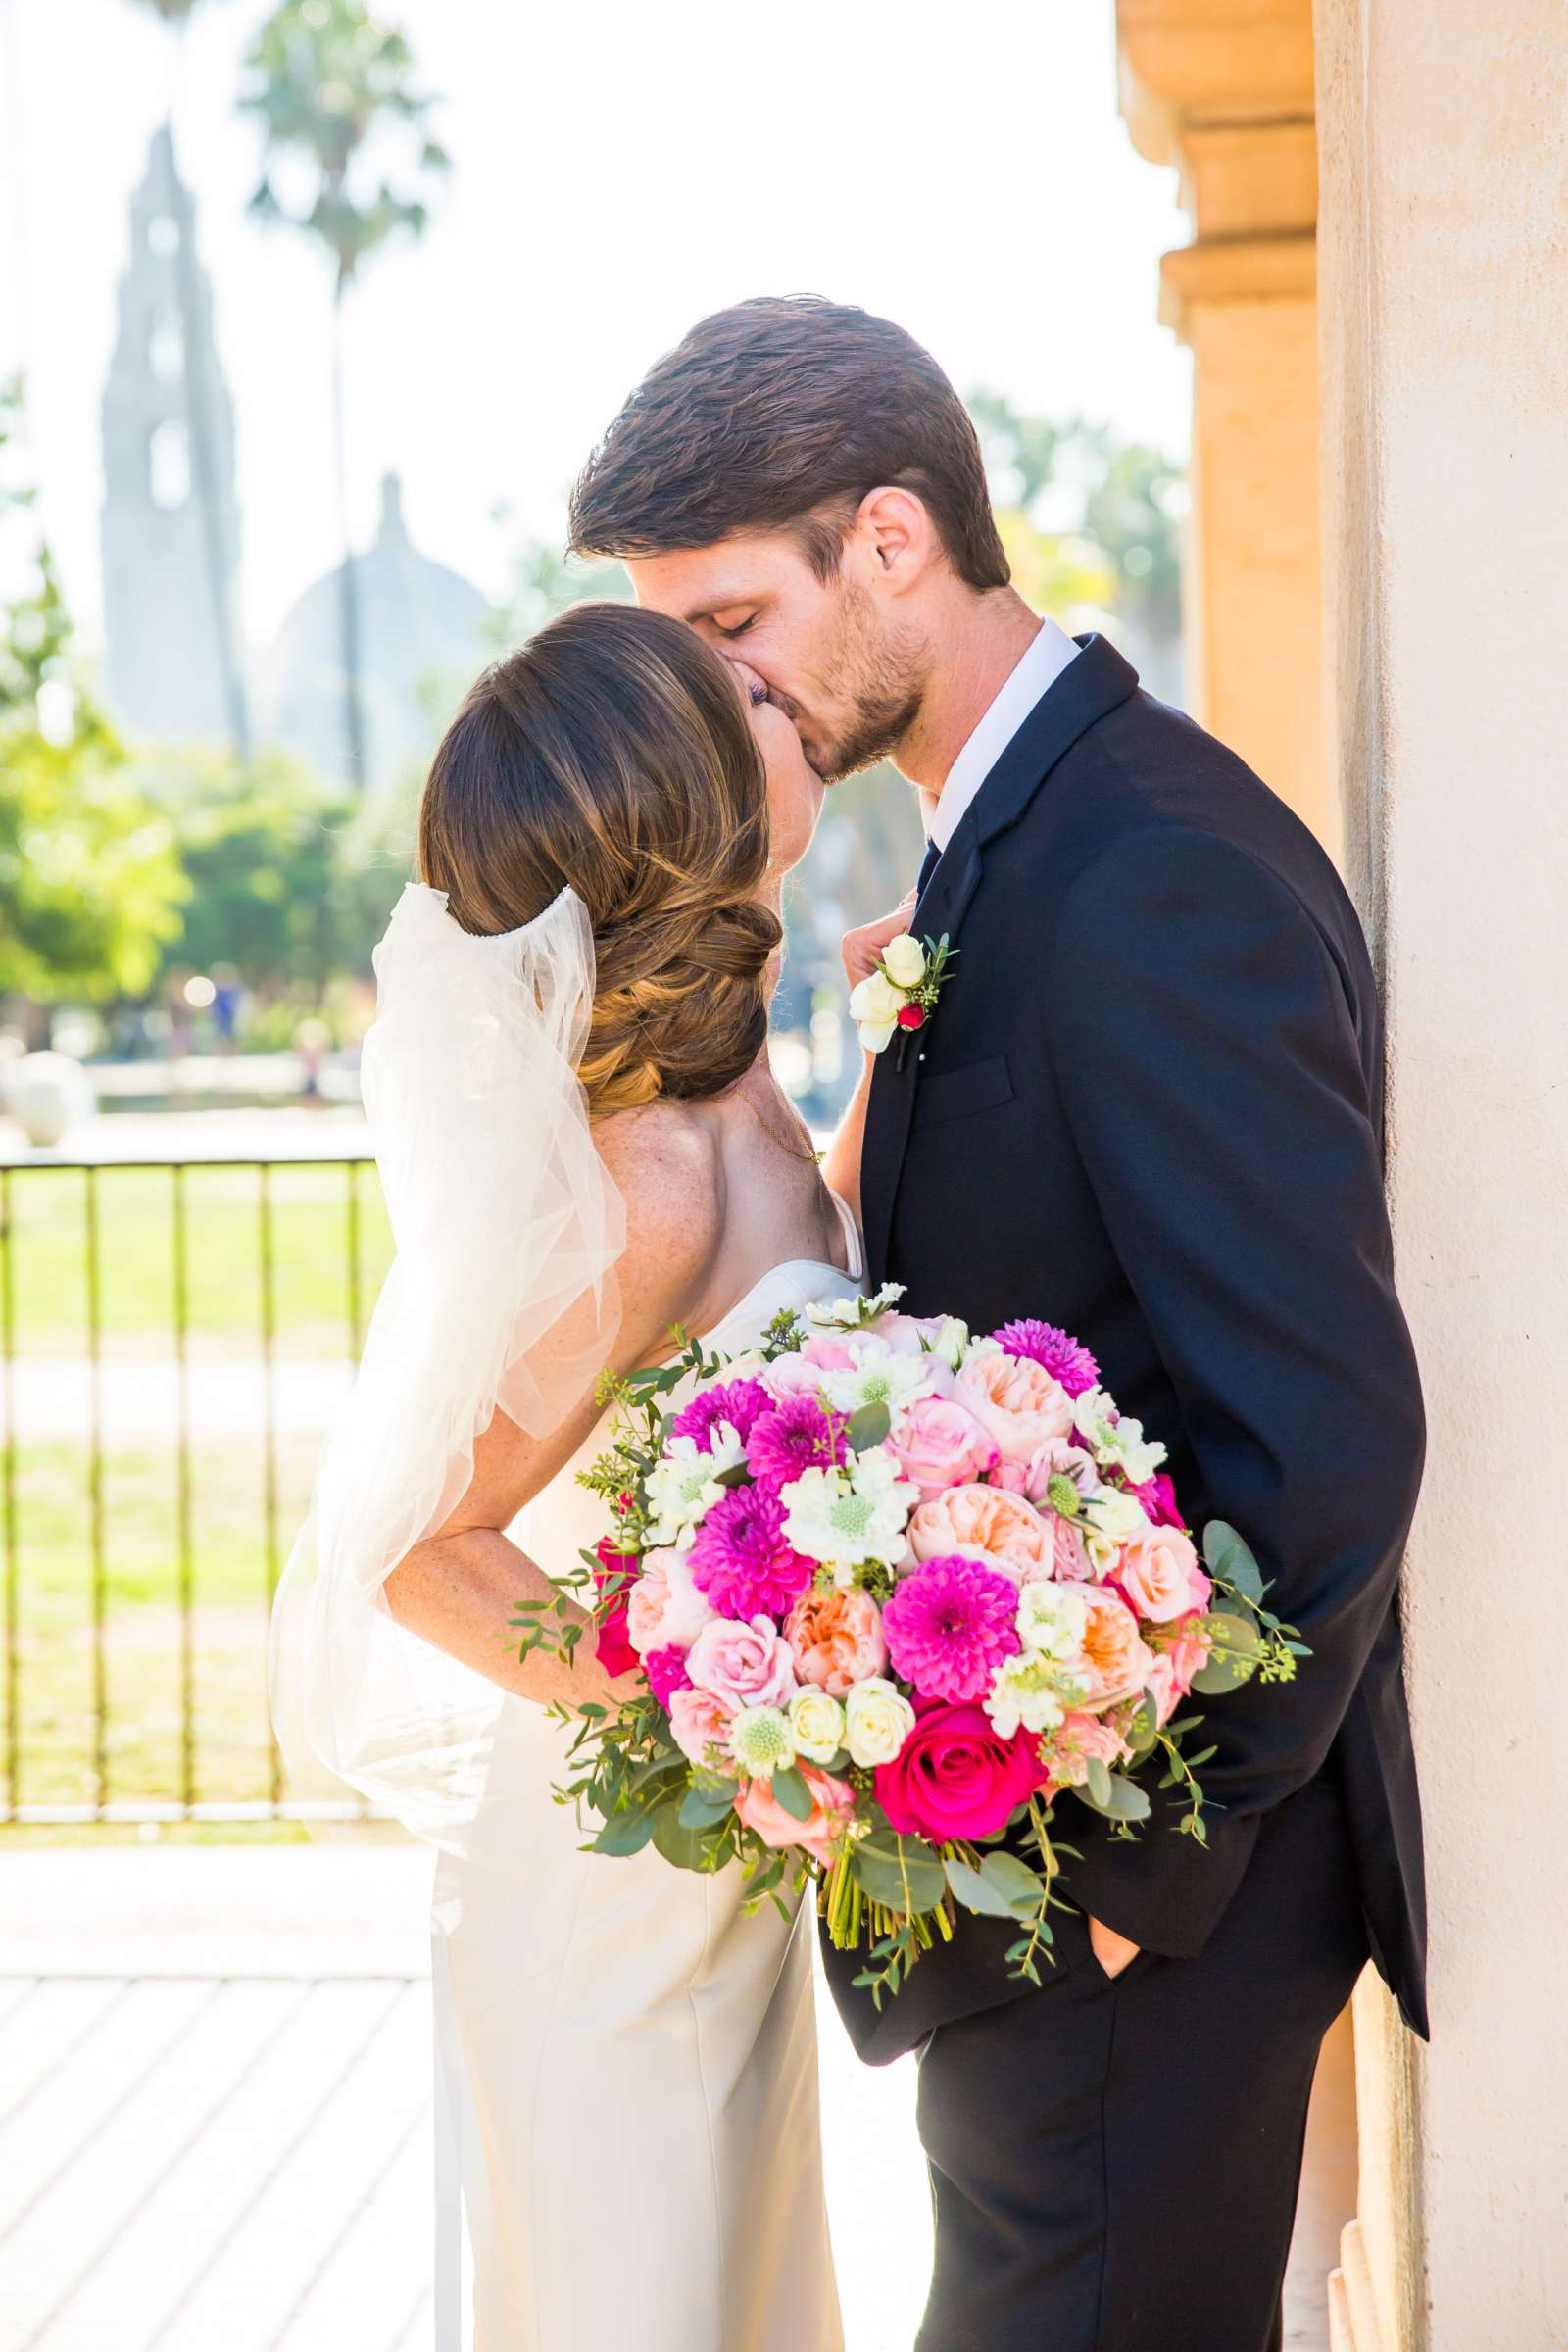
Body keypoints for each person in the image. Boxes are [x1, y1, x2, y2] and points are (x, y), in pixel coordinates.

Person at [568, 294, 1428, 2352]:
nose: (709, 693)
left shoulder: (1141, 870)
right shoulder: (1004, 849)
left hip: (1142, 1901)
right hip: (1048, 1870)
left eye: (724, 626)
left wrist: (1136, 1883)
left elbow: (1326, 1431)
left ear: (889, 540)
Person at [270, 602, 849, 2352]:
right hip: (611, 1910)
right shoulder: (649, 1178)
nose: (778, 693)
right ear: (681, 803)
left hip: (714, 1902)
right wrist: (712, 1716)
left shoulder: (746, 1084)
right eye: (732, 695)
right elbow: (417, 1543)